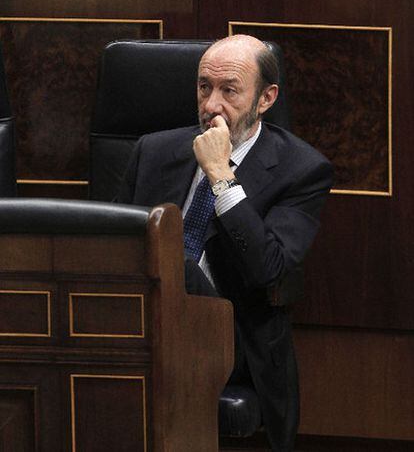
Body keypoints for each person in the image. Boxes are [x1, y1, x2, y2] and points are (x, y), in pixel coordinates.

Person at [116, 35, 333, 451]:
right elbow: (109, 246)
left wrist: (221, 177)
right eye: (203, 87)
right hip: (138, 324)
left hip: (230, 338)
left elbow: (267, 268)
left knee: (170, 259)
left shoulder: (302, 170)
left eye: (229, 90)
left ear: (266, 98)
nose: (211, 105)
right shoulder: (153, 151)